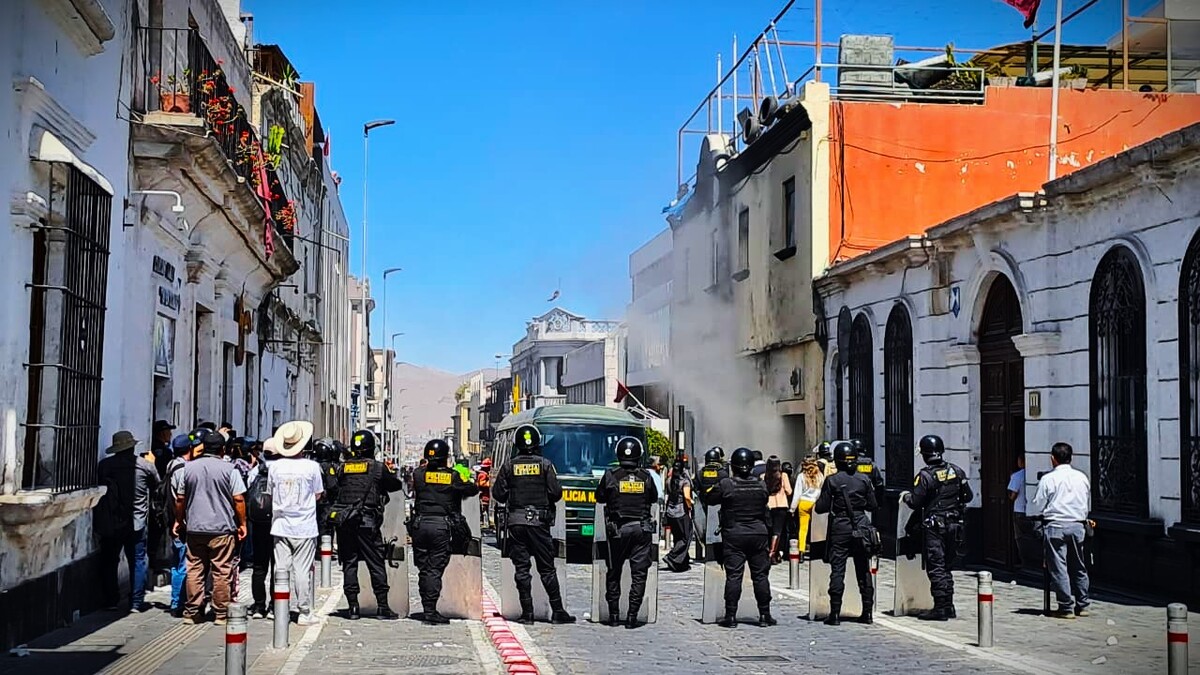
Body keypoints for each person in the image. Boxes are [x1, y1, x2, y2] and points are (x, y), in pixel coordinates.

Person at [490, 424, 575, 625]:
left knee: (521, 568)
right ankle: (558, 611)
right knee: (546, 568)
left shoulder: (509, 466)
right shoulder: (545, 465)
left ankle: (527, 613)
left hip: (516, 523)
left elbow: (498, 494)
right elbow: (556, 493)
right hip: (539, 523)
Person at [172, 427, 248, 625]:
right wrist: (242, 523)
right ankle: (221, 613)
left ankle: (192, 612)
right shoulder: (230, 470)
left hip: (195, 527)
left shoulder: (187, 468)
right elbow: (239, 499)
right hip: (222, 528)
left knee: (195, 569)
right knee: (222, 571)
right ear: (222, 449)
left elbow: (180, 499)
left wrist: (179, 521)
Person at [332, 429, 404, 619]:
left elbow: (336, 487)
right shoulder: (377, 467)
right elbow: (395, 485)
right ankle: (382, 606)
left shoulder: (343, 467)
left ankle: (353, 607)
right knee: (376, 563)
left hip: (345, 521)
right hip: (367, 521)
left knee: (349, 563)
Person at [901, 434, 973, 622]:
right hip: (955, 526)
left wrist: (906, 496)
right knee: (947, 566)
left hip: (935, 527)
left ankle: (941, 607)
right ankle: (948, 605)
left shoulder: (925, 476)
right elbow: (968, 497)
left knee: (936, 567)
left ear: (925, 454)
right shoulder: (957, 471)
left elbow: (915, 502)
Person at [411, 439, 480, 625]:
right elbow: (472, 490)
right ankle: (430, 611)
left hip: (419, 525)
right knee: (434, 569)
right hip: (440, 527)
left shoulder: (418, 474)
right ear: (445, 458)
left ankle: (427, 606)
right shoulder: (453, 476)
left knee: (424, 568)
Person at [595, 437, 658, 628]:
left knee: (614, 572)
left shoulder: (611, 475)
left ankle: (614, 615)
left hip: (618, 531)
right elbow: (654, 498)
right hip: (641, 529)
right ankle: (632, 616)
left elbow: (599, 497)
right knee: (639, 575)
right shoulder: (646, 477)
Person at [708, 447, 774, 628]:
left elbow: (710, 499)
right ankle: (765, 615)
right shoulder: (760, 485)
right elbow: (765, 500)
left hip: (734, 534)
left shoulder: (727, 484)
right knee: (760, 576)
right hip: (758, 533)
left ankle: (730, 616)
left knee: (734, 576)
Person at [95, 430, 159, 613]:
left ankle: (111, 600)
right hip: (137, 521)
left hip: (111, 521)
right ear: (132, 447)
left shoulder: (105, 466)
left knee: (109, 561)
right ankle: (136, 602)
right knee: (138, 561)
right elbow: (158, 488)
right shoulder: (146, 466)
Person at [268, 422, 325, 625]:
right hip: (305, 526)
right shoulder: (312, 467)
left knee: (280, 569)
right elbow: (318, 493)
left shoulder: (274, 467)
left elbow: (271, 492)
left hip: (281, 525)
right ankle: (304, 611)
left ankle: (280, 609)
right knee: (302, 571)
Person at [815, 442, 877, 626]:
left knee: (837, 570)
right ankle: (867, 613)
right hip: (861, 525)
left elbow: (821, 507)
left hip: (840, 527)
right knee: (863, 570)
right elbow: (872, 505)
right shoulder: (864, 480)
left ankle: (834, 613)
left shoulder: (832, 480)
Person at [1030, 442, 1092, 619]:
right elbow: (1086, 502)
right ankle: (1083, 604)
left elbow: (1039, 504)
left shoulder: (1049, 479)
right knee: (1079, 566)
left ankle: (1066, 606)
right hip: (1077, 524)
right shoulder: (1082, 477)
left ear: (1053, 459)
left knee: (1059, 567)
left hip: (1056, 525)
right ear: (1071, 458)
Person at [246, 437, 278, 618]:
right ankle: (275, 605)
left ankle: (259, 606)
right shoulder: (283, 470)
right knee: (278, 566)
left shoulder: (255, 470)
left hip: (258, 524)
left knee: (259, 566)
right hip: (278, 523)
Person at [163, 434, 192, 616]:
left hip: (173, 519)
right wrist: (179, 521)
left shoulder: (171, 465)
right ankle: (178, 602)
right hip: (180, 522)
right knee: (182, 564)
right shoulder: (182, 469)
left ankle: (176, 601)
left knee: (177, 564)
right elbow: (182, 498)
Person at [1007, 454, 1039, 568]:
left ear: (1021, 461)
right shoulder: (1032, 474)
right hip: (1032, 510)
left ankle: (1025, 562)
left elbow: (1013, 495)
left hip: (1019, 510)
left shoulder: (1017, 476)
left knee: (1020, 537)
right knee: (1032, 536)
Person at [663, 456, 694, 572]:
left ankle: (682, 563)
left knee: (677, 537)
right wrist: (690, 504)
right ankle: (671, 556)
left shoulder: (668, 481)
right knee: (686, 537)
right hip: (682, 512)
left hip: (671, 513)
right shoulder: (685, 481)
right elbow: (686, 496)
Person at [792, 457, 824, 562]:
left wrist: (792, 508)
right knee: (817, 529)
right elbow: (821, 491)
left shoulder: (801, 476)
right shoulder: (820, 475)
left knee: (803, 528)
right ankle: (816, 550)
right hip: (815, 503)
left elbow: (797, 493)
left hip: (804, 502)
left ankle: (801, 551)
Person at [763, 456, 792, 564]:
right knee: (778, 531)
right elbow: (789, 491)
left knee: (769, 530)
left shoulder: (764, 476)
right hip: (781, 506)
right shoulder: (783, 475)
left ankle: (769, 553)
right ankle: (772, 553)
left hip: (769, 506)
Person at [852, 439, 886, 509]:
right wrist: (879, 503)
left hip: (852, 499)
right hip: (868, 499)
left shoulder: (850, 464)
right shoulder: (871, 465)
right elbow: (879, 484)